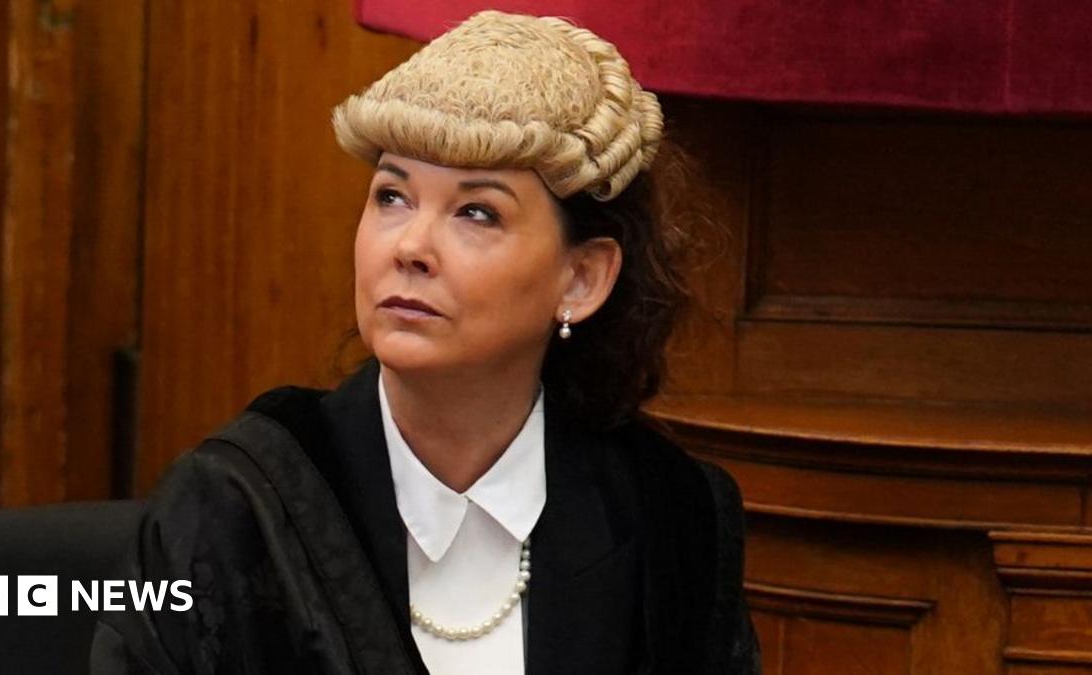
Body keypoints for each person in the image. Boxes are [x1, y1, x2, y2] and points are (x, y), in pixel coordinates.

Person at [90, 9, 759, 675]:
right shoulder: (236, 507)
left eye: (477, 212)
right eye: (392, 196)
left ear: (582, 278)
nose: (410, 246)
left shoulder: (673, 518)